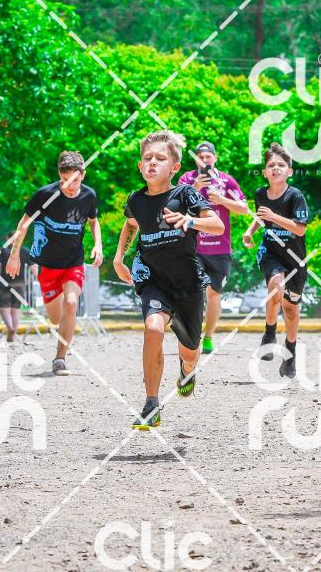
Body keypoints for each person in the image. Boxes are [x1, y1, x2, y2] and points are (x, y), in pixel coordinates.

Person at [114, 130, 224, 430]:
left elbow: (216, 225)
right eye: (147, 158)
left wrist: (191, 220)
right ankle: (151, 405)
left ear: (174, 167)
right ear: (140, 166)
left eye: (160, 158)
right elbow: (131, 224)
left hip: (187, 285)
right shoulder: (136, 200)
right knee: (153, 329)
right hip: (153, 279)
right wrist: (119, 258)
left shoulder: (185, 194)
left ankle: (187, 371)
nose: (152, 163)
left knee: (190, 352)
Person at [7, 150, 102, 375]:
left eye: (75, 180)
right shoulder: (45, 195)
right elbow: (23, 224)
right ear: (60, 175)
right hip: (48, 264)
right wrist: (14, 255)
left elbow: (93, 221)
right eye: (66, 180)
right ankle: (62, 334)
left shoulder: (89, 195)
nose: (70, 186)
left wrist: (98, 244)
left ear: (83, 175)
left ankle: (60, 359)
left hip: (73, 262)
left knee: (71, 303)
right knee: (56, 318)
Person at [242, 142, 309, 378]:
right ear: (265, 172)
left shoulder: (295, 196)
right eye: (271, 165)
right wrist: (250, 230)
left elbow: (300, 229)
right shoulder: (261, 194)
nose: (276, 168)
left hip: (295, 259)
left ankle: (290, 354)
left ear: (289, 171)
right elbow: (261, 217)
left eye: (281, 165)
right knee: (275, 286)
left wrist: (273, 216)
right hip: (270, 253)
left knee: (290, 310)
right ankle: (269, 334)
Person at [178, 140, 248, 354]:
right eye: (200, 157)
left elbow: (244, 208)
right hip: (194, 247)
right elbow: (175, 205)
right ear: (195, 160)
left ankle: (208, 337)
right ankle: (192, 334)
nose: (205, 160)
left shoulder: (226, 181)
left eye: (208, 156)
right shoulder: (187, 179)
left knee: (214, 294)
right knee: (194, 291)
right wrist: (195, 188)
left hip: (220, 249)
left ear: (215, 158)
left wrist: (222, 200)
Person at [0, 234, 34, 342]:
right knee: (15, 310)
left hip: (5, 283)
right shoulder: (25, 251)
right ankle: (13, 332)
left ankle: (10, 327)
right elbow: (33, 268)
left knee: (4, 310)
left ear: (8, 239)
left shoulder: (3, 250)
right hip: (19, 284)